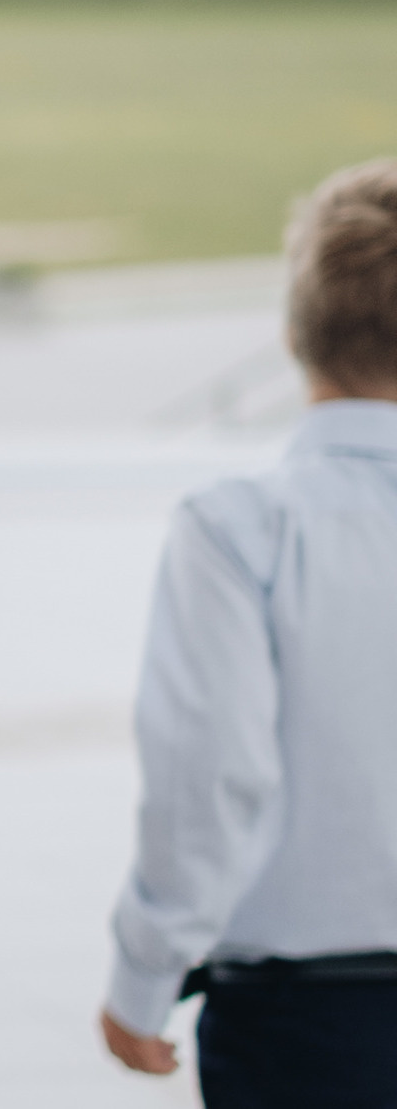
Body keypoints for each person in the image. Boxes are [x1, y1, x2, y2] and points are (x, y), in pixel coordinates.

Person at [101, 156, 397, 1107]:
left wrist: (143, 978)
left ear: (292, 335)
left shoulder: (240, 528)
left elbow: (210, 774)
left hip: (308, 1019)